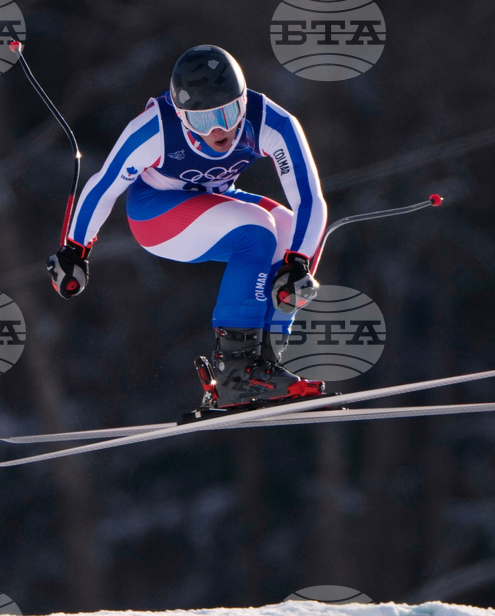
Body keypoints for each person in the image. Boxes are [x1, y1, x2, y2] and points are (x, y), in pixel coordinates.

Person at [45, 44, 327, 408]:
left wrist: (297, 263)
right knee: (257, 228)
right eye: (204, 120)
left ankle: (265, 363)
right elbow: (104, 185)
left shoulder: (271, 121)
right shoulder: (154, 130)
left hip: (216, 202)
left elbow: (309, 199)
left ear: (243, 101)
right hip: (156, 216)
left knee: (292, 231)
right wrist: (75, 249)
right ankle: (235, 371)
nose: (220, 129)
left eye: (228, 112)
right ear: (181, 115)